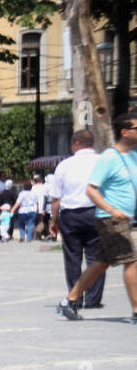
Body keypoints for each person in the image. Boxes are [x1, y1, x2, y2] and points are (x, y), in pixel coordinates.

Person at [56, 111, 137, 323]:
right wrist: (112, 210)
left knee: (100, 263)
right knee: (132, 261)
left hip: (124, 219)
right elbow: (91, 190)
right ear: (125, 132)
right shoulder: (109, 157)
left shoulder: (133, 157)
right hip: (111, 219)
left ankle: (70, 300)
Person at [49, 129, 103, 308]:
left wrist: (53, 221)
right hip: (96, 213)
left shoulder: (64, 165)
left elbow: (56, 199)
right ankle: (93, 299)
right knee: (96, 258)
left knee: (73, 257)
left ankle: (75, 297)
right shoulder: (102, 162)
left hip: (71, 215)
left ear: (77, 143)